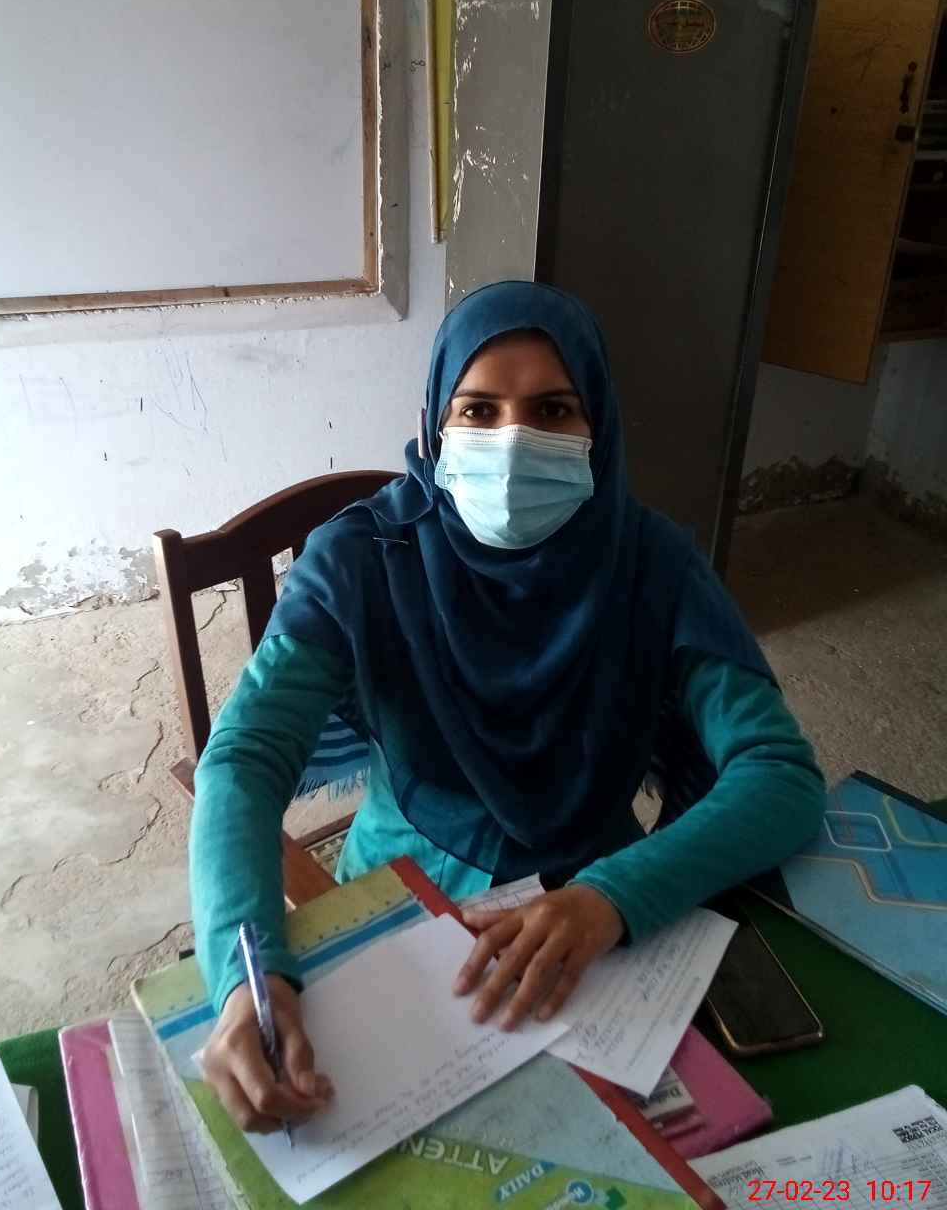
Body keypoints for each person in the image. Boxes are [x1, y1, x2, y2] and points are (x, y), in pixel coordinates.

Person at [190, 280, 825, 1135]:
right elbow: (243, 758)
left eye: (554, 410)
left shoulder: (651, 565)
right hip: (403, 900)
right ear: (435, 427)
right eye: (479, 411)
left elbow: (779, 773)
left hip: (596, 920)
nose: (514, 442)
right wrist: (246, 977)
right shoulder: (364, 559)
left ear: (599, 426)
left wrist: (611, 898)